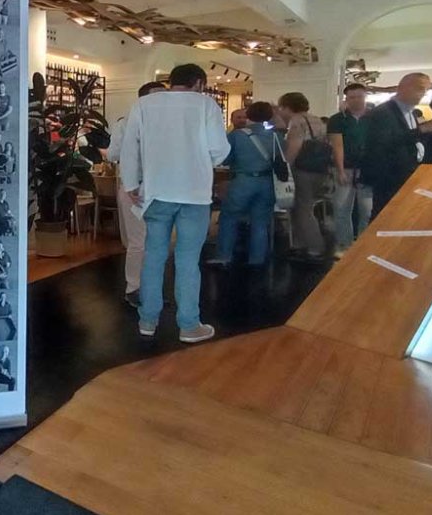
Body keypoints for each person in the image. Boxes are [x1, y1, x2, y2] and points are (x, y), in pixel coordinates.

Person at [120, 63, 228, 343]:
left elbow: (129, 147)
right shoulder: (206, 105)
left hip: (156, 192)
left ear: (172, 81)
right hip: (194, 194)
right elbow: (219, 150)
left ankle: (147, 320)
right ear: (199, 83)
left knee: (153, 257)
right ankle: (189, 324)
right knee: (188, 260)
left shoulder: (145, 104)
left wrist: (131, 183)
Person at [107, 81, 167, 306]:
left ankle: (149, 289)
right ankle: (135, 288)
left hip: (159, 188)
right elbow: (113, 155)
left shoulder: (165, 124)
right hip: (137, 188)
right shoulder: (126, 123)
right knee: (140, 241)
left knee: (154, 242)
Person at [362, 73, 432, 218]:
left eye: (426, 90)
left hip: (408, 174)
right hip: (389, 177)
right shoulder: (383, 113)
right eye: (419, 88)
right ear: (403, 87)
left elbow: (411, 139)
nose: (422, 94)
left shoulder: (411, 112)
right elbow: (383, 142)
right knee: (385, 218)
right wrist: (423, 129)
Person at [207, 102, 280, 267]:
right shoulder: (275, 136)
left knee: (229, 218)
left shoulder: (237, 135)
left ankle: (224, 256)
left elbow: (225, 158)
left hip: (242, 181)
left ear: (249, 115)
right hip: (267, 182)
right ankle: (257, 259)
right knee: (260, 222)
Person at [277, 92, 331, 262]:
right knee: (302, 208)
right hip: (319, 170)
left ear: (288, 107)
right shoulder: (317, 120)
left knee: (303, 209)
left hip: (303, 170)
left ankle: (315, 248)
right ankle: (300, 245)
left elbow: (294, 147)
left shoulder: (297, 121)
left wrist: (285, 167)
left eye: (282, 107)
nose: (281, 111)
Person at [327, 83, 373, 256]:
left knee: (367, 209)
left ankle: (364, 245)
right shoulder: (338, 119)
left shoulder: (374, 117)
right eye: (352, 97)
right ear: (347, 99)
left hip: (368, 168)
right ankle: (344, 244)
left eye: (359, 96)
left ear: (365, 96)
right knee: (341, 208)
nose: (356, 100)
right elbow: (337, 145)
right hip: (345, 167)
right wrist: (340, 169)